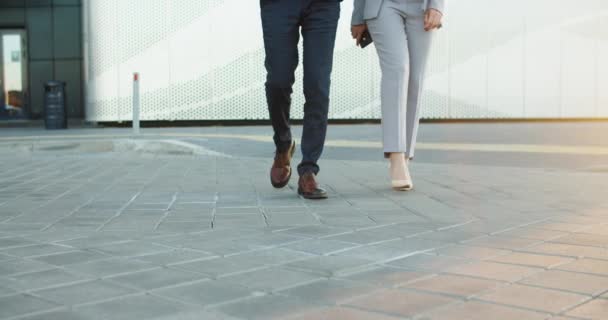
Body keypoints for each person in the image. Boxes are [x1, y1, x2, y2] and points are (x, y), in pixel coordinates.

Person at [351, 0, 444, 191]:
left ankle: (406, 156)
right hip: (383, 6)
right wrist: (358, 16)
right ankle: (396, 155)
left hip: (422, 7)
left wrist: (437, 6)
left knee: (415, 80)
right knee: (398, 70)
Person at [261, 0, 342, 199]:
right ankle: (283, 144)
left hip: (323, 6)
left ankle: (308, 170)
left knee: (318, 85)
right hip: (279, 5)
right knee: (277, 81)